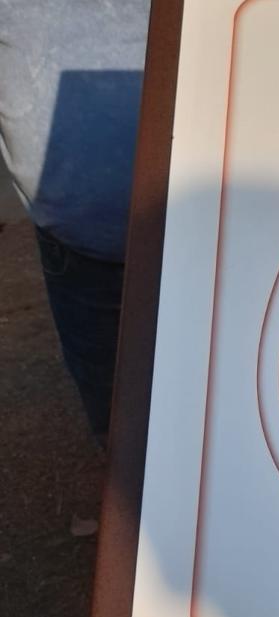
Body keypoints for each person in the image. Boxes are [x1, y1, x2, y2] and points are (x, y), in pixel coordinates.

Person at [0, 0, 150, 444]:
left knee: (220, 382)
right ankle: (128, 501)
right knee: (111, 393)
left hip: (217, 232)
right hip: (81, 243)